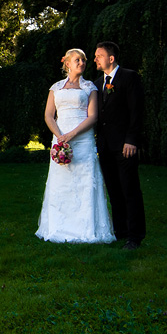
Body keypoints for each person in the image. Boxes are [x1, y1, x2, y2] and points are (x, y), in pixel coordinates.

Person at [35, 48, 115, 243]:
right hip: (60, 139)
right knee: (61, 183)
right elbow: (48, 115)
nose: (82, 63)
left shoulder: (90, 88)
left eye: (84, 60)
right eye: (78, 60)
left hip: (82, 140)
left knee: (84, 182)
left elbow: (93, 116)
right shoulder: (55, 88)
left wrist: (71, 134)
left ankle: (86, 229)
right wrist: (60, 136)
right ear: (67, 63)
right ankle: (58, 227)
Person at [93, 41, 146, 250]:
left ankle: (135, 236)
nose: (95, 59)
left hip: (125, 146)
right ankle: (121, 231)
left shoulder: (129, 77)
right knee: (114, 191)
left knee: (130, 190)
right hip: (105, 147)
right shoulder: (97, 84)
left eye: (99, 55)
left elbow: (137, 111)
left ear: (111, 58)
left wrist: (132, 139)